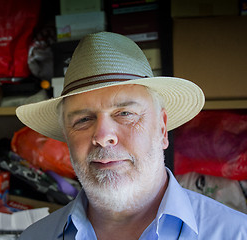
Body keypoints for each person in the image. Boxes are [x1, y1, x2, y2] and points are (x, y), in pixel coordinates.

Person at [15, 31, 247, 239]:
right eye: (83, 119)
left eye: (125, 113)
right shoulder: (36, 237)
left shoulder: (236, 234)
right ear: (67, 136)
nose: (104, 136)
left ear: (162, 129)